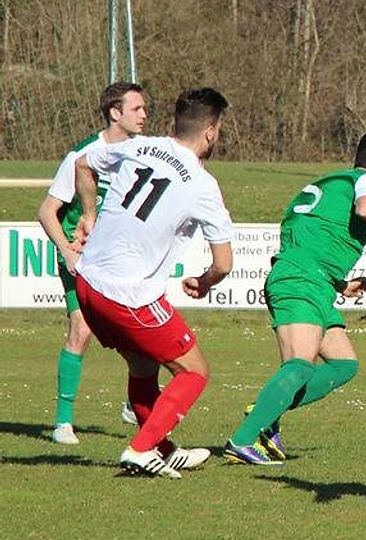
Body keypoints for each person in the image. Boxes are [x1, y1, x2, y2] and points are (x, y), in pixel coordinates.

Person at [223, 131, 366, 465]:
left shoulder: (328, 184)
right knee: (300, 365)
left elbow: (312, 237)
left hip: (313, 281)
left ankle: (267, 413)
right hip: (301, 281)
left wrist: (340, 284)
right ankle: (243, 439)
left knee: (344, 365)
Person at [73, 87, 235, 478]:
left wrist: (89, 214)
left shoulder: (138, 146)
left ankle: (162, 448)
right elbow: (224, 263)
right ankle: (141, 449)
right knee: (194, 371)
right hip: (128, 294)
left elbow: (82, 163)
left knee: (143, 366)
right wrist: (207, 280)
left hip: (88, 284)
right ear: (211, 132)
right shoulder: (201, 184)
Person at [36, 82, 147, 444]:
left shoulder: (143, 154)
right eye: (137, 109)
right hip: (80, 258)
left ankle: (136, 402)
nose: (145, 115)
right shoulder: (82, 155)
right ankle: (62, 422)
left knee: (141, 333)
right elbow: (46, 212)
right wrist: (67, 251)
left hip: (118, 260)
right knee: (81, 330)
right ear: (115, 113)